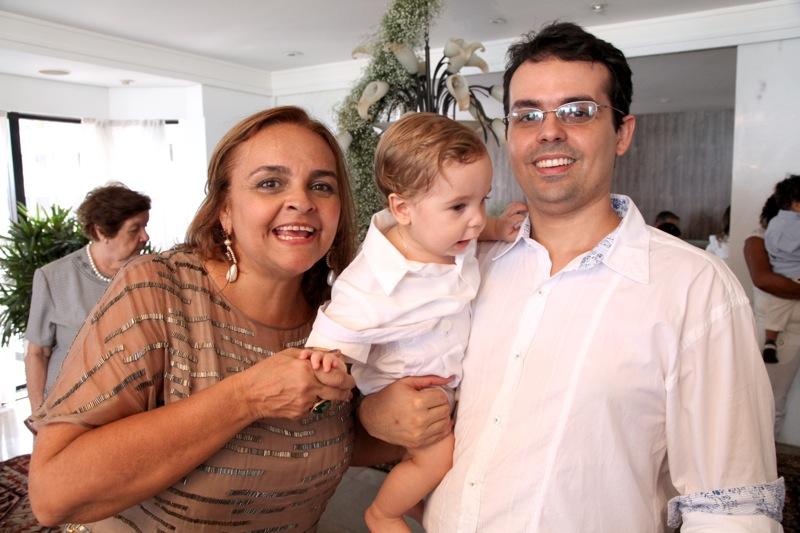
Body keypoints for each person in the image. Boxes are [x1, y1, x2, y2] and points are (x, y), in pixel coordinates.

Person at [358, 22, 782, 532]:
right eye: (527, 115)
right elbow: (397, 376)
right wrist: (375, 412)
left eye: (578, 111)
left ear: (622, 132)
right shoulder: (465, 265)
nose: (549, 131)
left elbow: (732, 509)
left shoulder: (694, 287)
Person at [28, 106, 364, 531]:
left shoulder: (343, 313)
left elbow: (332, 441)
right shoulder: (158, 291)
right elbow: (53, 495)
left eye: (321, 186)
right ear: (225, 210)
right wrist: (245, 398)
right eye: (270, 183)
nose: (302, 201)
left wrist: (385, 420)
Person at [304, 113, 524, 532]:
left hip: (446, 381)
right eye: (459, 206)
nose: (477, 218)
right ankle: (383, 513)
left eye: (483, 200)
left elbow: (480, 230)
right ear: (402, 209)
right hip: (406, 388)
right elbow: (334, 332)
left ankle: (420, 507)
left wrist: (499, 226)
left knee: (441, 467)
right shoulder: (371, 281)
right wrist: (328, 359)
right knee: (436, 457)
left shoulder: (454, 238)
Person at [24, 183, 151, 414]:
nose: (145, 237)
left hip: (132, 408)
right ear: (101, 232)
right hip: (70, 410)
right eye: (135, 229)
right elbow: (37, 352)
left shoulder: (149, 273)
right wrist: (38, 412)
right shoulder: (53, 277)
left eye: (145, 226)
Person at [745, 189, 800, 438]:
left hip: (788, 332)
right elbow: (764, 280)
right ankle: (765, 456)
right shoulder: (758, 240)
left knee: (774, 403)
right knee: (770, 403)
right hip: (781, 336)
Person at [762, 176, 800, 363]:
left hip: (780, 273)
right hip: (797, 272)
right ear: (797, 205)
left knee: (777, 309)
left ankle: (770, 341)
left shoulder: (774, 222)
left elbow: (770, 245)